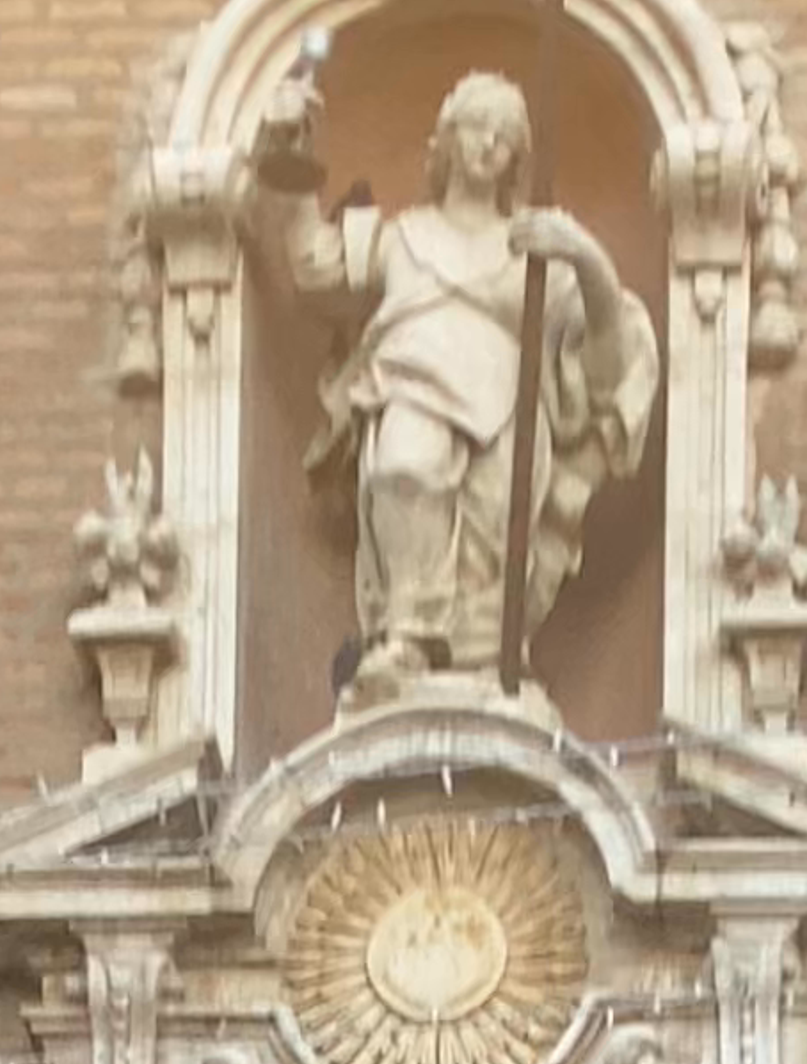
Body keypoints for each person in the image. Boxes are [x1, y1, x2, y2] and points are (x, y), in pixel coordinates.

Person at [259, 69, 656, 700]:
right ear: (445, 139)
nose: (488, 143)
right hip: (409, 385)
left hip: (504, 414)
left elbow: (608, 357)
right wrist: (290, 158)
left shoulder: (534, 250)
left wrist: (587, 259)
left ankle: (484, 663)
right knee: (403, 469)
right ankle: (407, 640)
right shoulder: (403, 238)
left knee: (491, 538)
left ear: (517, 159)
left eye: (504, 134)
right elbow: (314, 269)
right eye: (477, 125)